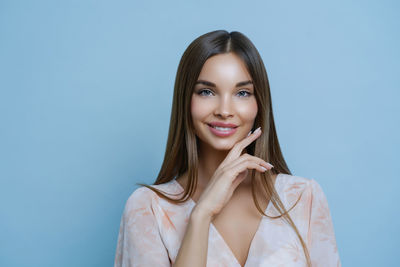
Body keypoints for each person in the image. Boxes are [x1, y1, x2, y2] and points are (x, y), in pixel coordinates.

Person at [113, 30, 341, 267]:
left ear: (259, 105)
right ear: (186, 102)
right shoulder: (147, 209)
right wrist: (201, 216)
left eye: (242, 93)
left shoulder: (304, 198)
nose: (224, 110)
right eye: (206, 91)